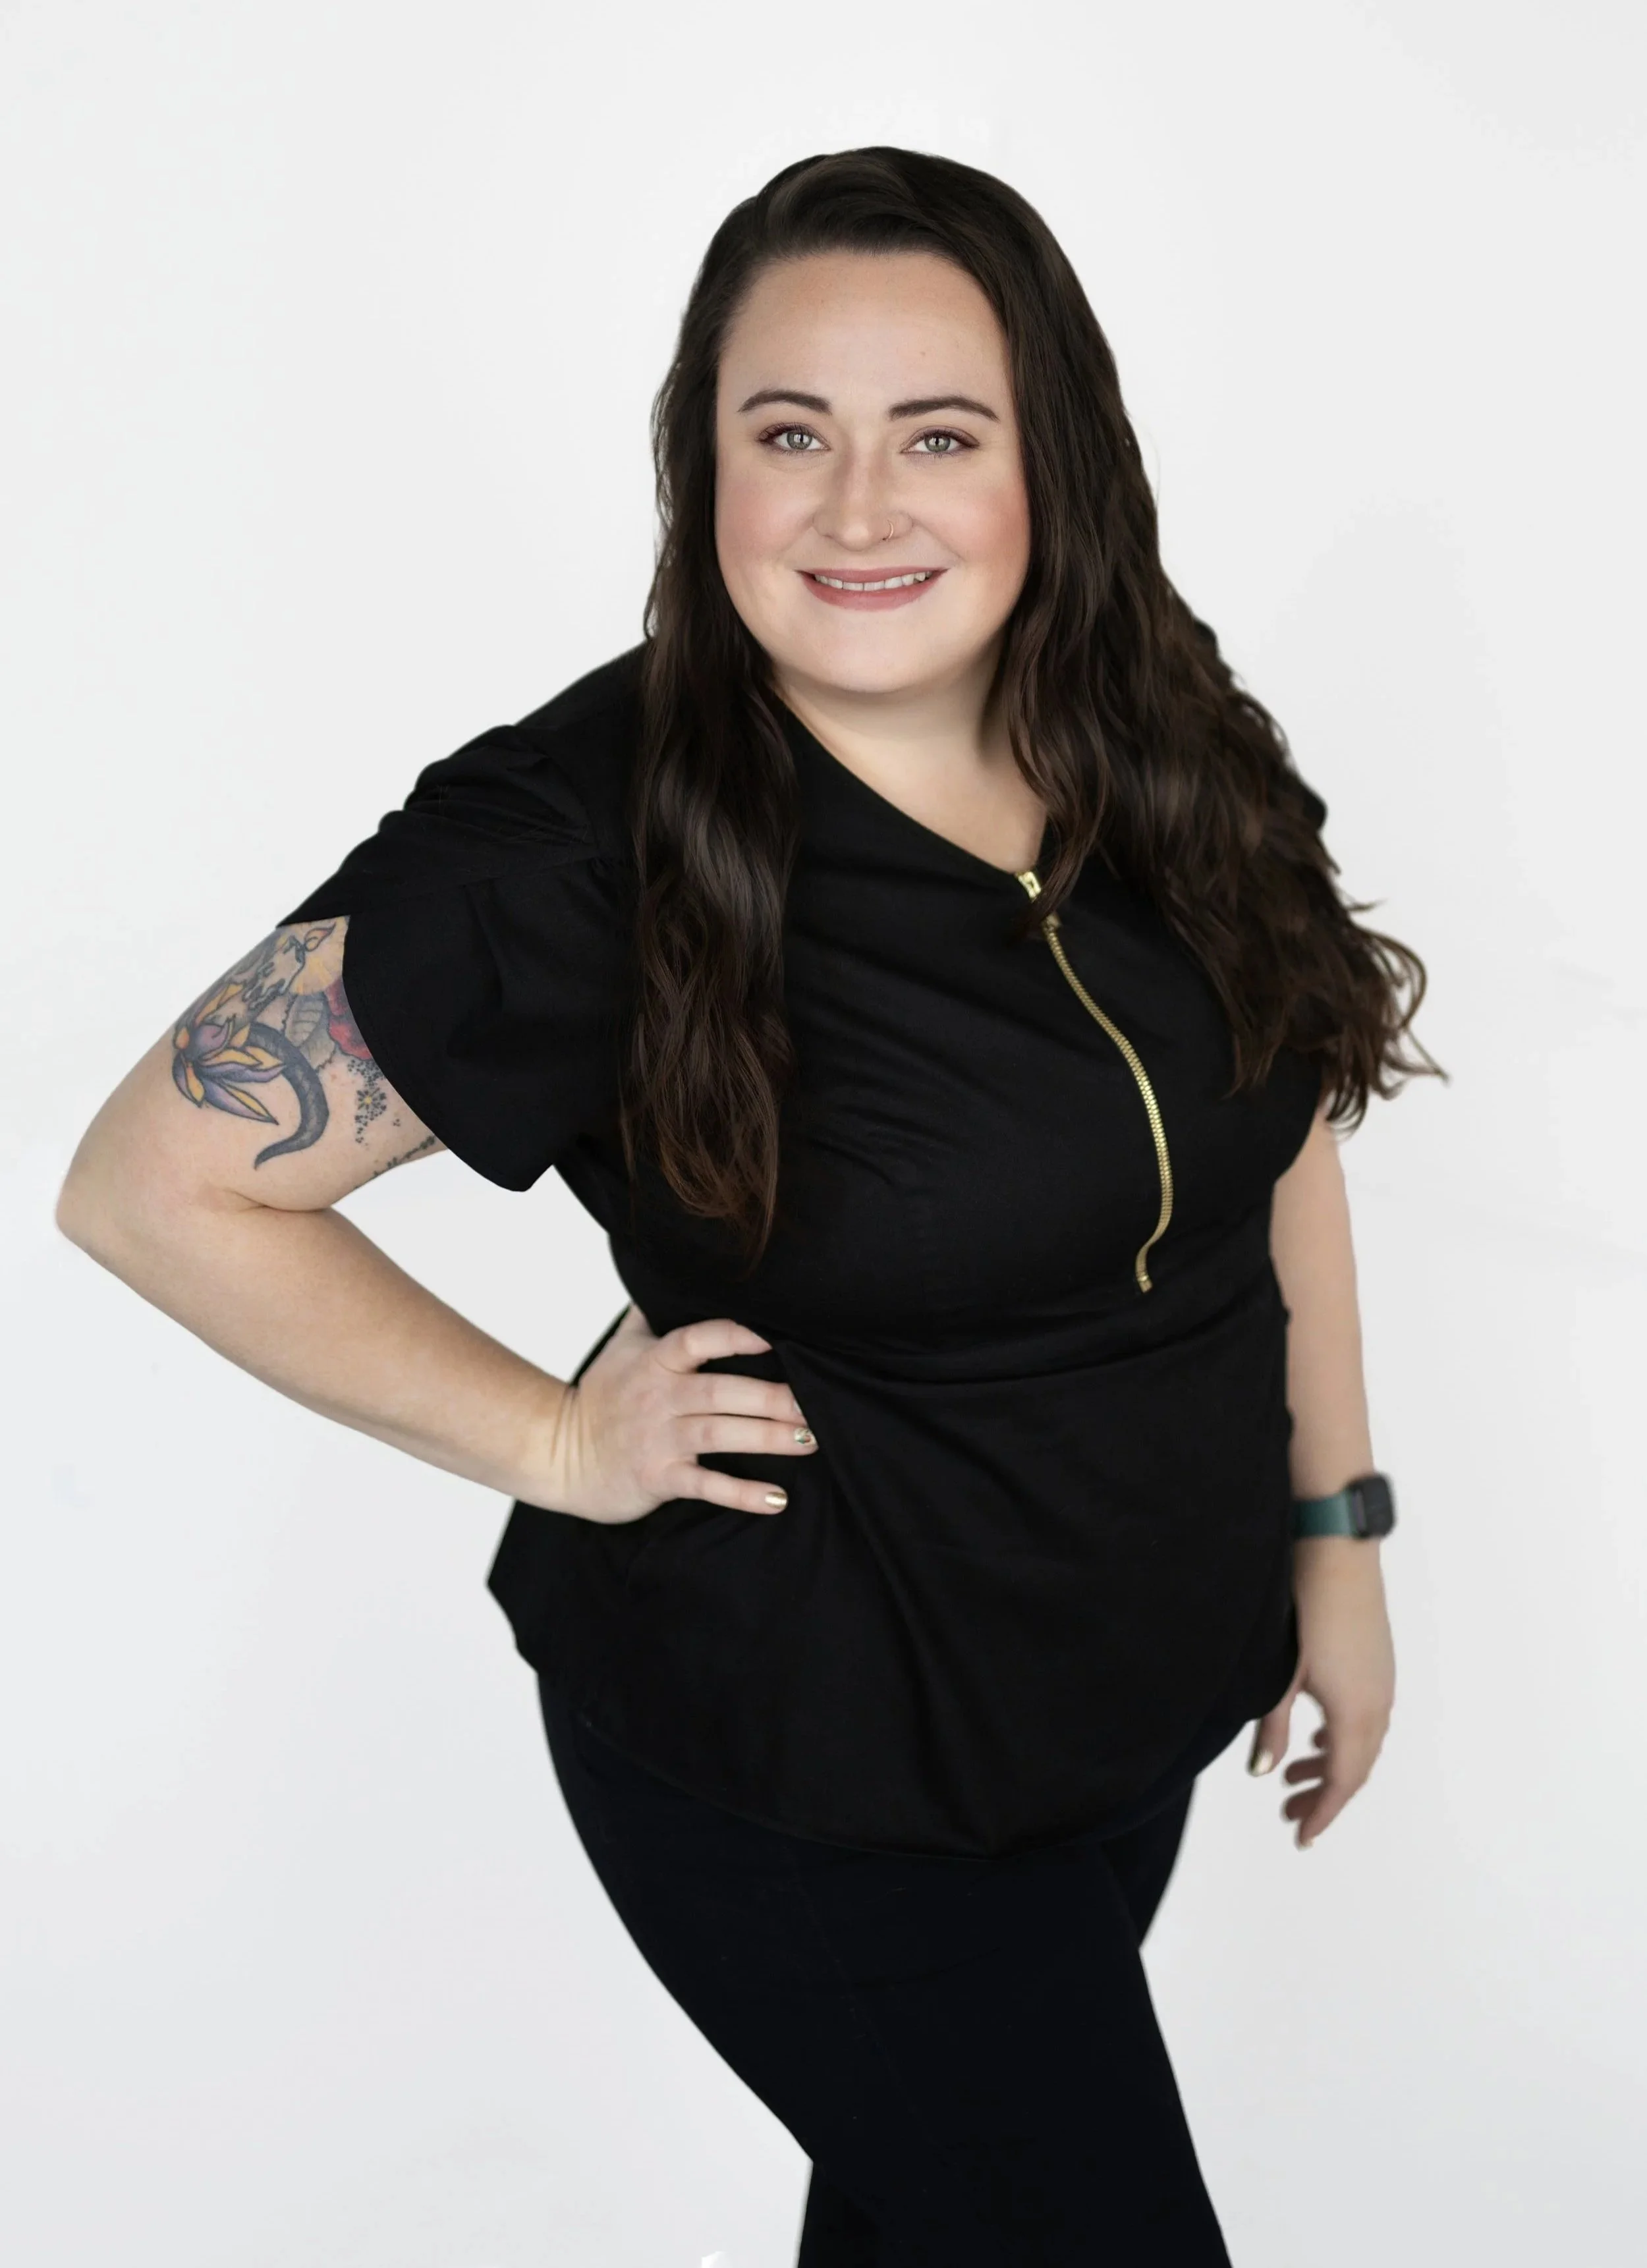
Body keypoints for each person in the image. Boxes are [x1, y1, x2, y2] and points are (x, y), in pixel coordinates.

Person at [57, 147, 1437, 2265]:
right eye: (786, 434)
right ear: (701, 474)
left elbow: (1284, 1128)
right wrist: (547, 1434)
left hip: (1116, 1704)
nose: (858, 507)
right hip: (807, 1760)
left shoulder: (1151, 728)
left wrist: (1329, 1539)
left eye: (937, 437)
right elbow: (154, 1186)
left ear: (1046, 466)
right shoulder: (580, 836)